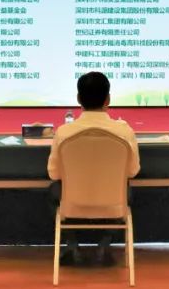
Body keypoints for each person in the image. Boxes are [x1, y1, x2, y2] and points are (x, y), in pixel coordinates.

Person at [47, 71, 140, 267]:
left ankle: (72, 246)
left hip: (71, 203)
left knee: (53, 191)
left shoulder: (64, 132)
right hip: (115, 203)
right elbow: (133, 171)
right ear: (108, 99)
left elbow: (53, 173)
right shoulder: (124, 131)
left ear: (78, 98)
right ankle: (104, 244)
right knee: (127, 191)